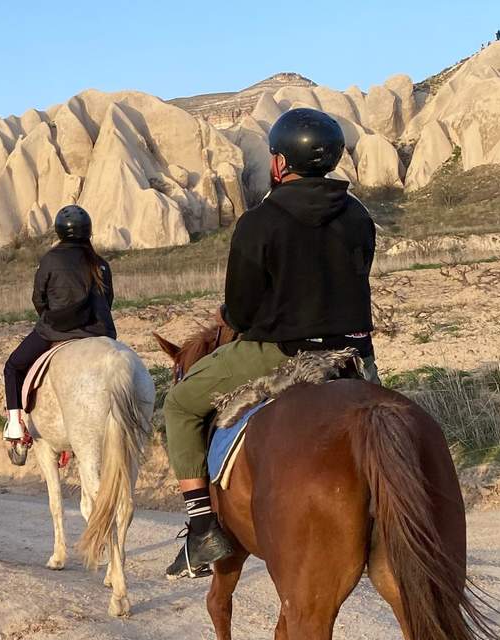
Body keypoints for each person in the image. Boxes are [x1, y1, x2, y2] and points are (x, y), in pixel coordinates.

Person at [162, 107, 379, 579]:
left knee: (179, 404)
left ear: (280, 164)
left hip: (281, 351)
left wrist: (233, 316)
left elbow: (240, 313)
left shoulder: (259, 221)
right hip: (353, 354)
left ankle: (202, 528)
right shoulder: (360, 216)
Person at [2, 204, 116, 445]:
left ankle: (14, 424)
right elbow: (108, 301)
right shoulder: (101, 263)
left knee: (12, 366)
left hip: (57, 330)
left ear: (59, 231)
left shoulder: (51, 260)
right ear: (89, 232)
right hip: (100, 331)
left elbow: (38, 298)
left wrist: (50, 319)